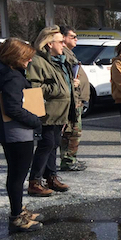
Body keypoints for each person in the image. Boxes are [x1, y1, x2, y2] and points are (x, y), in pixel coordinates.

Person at [0, 38, 43, 232]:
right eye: (26, 58)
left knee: (15, 174)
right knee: (17, 176)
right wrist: (36, 120)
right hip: (18, 132)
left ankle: (18, 209)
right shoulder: (12, 77)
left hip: (4, 129)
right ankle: (17, 217)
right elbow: (14, 109)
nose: (29, 61)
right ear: (15, 57)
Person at [27, 25, 77, 196]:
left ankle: (51, 177)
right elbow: (33, 88)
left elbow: (65, 83)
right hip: (47, 112)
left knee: (54, 144)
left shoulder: (60, 61)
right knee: (46, 144)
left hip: (60, 112)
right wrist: (57, 89)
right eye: (60, 42)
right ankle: (35, 181)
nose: (63, 44)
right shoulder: (38, 61)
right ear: (49, 44)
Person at [59, 25, 90, 171]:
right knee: (71, 132)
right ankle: (68, 161)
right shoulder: (63, 55)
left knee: (73, 132)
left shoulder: (69, 53)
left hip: (77, 100)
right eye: (73, 36)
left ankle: (71, 159)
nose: (76, 39)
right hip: (72, 101)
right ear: (63, 38)